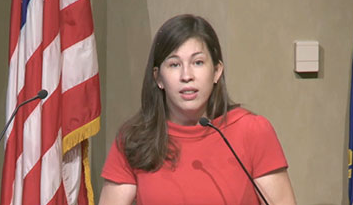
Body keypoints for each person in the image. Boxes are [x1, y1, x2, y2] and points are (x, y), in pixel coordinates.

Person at [99, 14, 296, 205]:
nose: (187, 75)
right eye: (174, 64)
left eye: (198, 62)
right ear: (158, 78)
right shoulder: (134, 139)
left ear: (217, 71)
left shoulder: (253, 131)